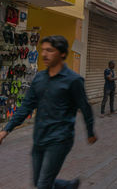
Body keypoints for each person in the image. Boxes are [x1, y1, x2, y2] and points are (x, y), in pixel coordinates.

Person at [0, 35, 97, 189]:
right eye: (43, 50)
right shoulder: (39, 79)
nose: (44, 54)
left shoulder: (73, 80)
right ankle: (68, 186)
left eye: (50, 50)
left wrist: (90, 132)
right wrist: (6, 130)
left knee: (43, 185)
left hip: (60, 139)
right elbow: (26, 106)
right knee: (38, 181)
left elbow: (85, 108)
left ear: (62, 54)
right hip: (40, 137)